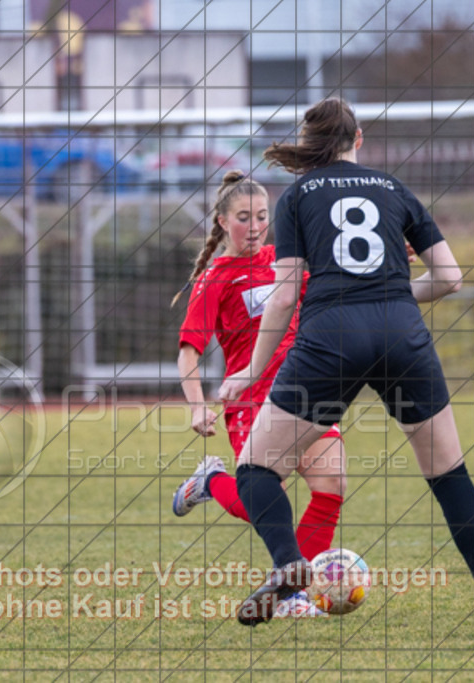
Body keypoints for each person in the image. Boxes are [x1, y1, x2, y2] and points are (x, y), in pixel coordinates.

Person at [218, 98, 474, 631]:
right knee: (451, 477)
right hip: (401, 335)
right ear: (358, 138)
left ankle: (288, 562)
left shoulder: (296, 197)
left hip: (330, 338)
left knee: (254, 470)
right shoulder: (393, 188)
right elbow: (450, 277)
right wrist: (391, 294)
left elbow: (285, 292)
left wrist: (250, 370)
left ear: (311, 142)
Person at [171, 170, 346, 618]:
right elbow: (188, 352)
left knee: (330, 486)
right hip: (252, 400)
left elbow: (333, 275)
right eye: (244, 217)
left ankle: (293, 596)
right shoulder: (216, 278)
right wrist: (197, 407)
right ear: (223, 221)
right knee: (269, 505)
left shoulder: (284, 260)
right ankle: (211, 482)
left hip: (306, 388)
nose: (255, 226)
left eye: (263, 216)